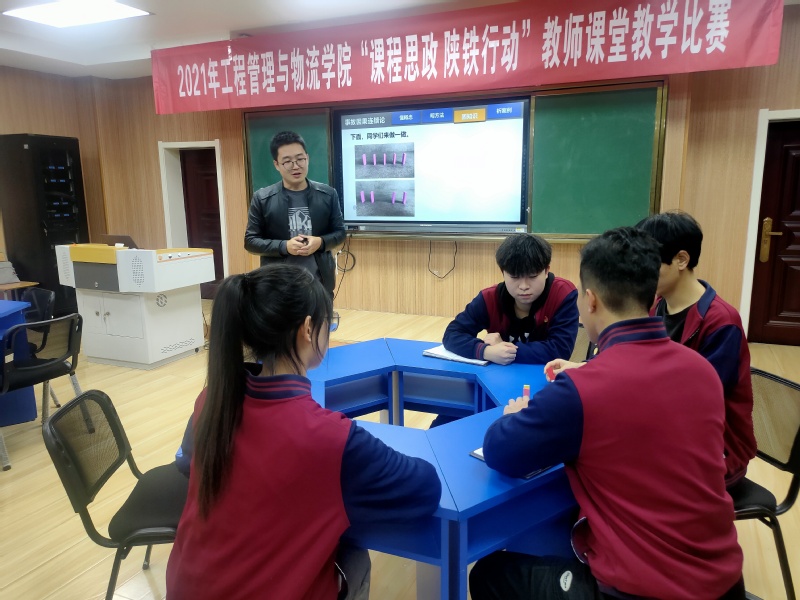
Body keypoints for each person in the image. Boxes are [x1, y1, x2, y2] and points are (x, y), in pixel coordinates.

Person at [470, 227, 744, 600]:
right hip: (726, 584)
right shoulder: (702, 372)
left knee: (488, 574)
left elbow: (500, 451)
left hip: (638, 593)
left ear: (591, 300)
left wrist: (512, 416)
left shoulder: (580, 391)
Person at [167, 264, 441, 600]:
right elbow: (425, 488)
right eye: (330, 322)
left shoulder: (210, 401)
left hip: (185, 587)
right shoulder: (328, 436)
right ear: (308, 329)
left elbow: (187, 463)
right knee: (354, 556)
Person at [636, 211, 756, 488]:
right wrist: (588, 369)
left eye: (648, 264)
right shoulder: (656, 307)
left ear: (681, 259)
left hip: (716, 449)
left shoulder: (721, 322)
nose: (639, 273)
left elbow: (697, 402)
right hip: (669, 431)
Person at [443, 233, 579, 365]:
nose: (524, 286)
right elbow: (452, 334)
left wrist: (505, 349)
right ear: (503, 272)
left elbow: (560, 350)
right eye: (514, 277)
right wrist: (486, 351)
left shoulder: (563, 294)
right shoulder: (489, 298)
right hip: (499, 375)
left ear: (546, 271)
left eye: (532, 276)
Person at [244, 130, 346, 297]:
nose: (296, 166)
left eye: (300, 159)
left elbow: (340, 233)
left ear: (307, 158)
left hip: (320, 285)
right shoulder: (262, 199)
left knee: (320, 316)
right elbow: (251, 242)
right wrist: (284, 246)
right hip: (277, 287)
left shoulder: (328, 195)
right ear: (276, 164)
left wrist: (320, 242)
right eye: (287, 161)